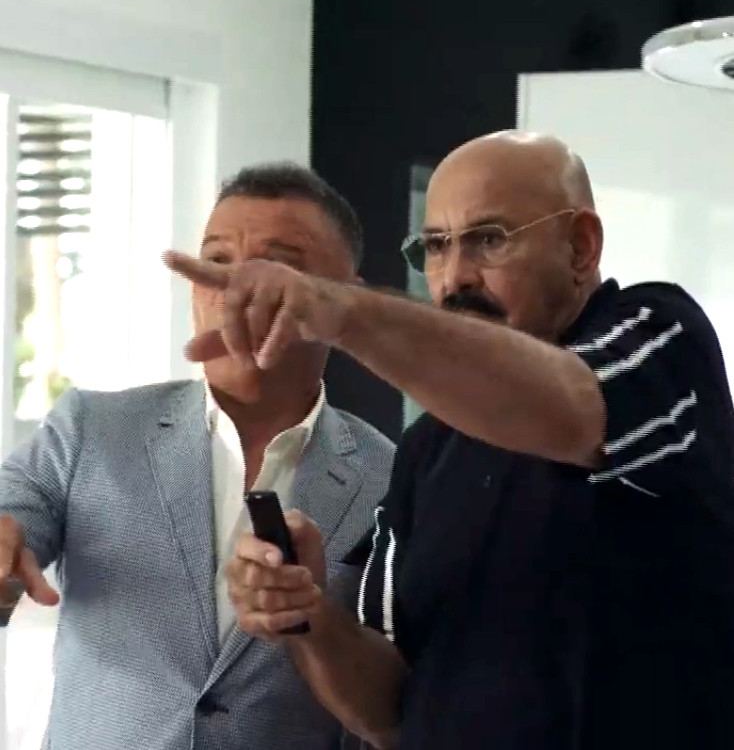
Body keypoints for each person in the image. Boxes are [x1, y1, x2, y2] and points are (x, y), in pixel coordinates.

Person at [166, 131, 734, 750]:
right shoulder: (427, 448)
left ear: (580, 246)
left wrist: (346, 311)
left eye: (488, 240)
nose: (456, 276)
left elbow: (571, 407)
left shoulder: (660, 338)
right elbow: (390, 712)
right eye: (436, 246)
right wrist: (309, 616)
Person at [0, 163, 395, 750]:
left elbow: (399, 699)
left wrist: (312, 618)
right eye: (215, 261)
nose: (234, 287)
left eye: (277, 267)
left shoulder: (390, 478)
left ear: (347, 300)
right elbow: (16, 505)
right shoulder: (91, 429)